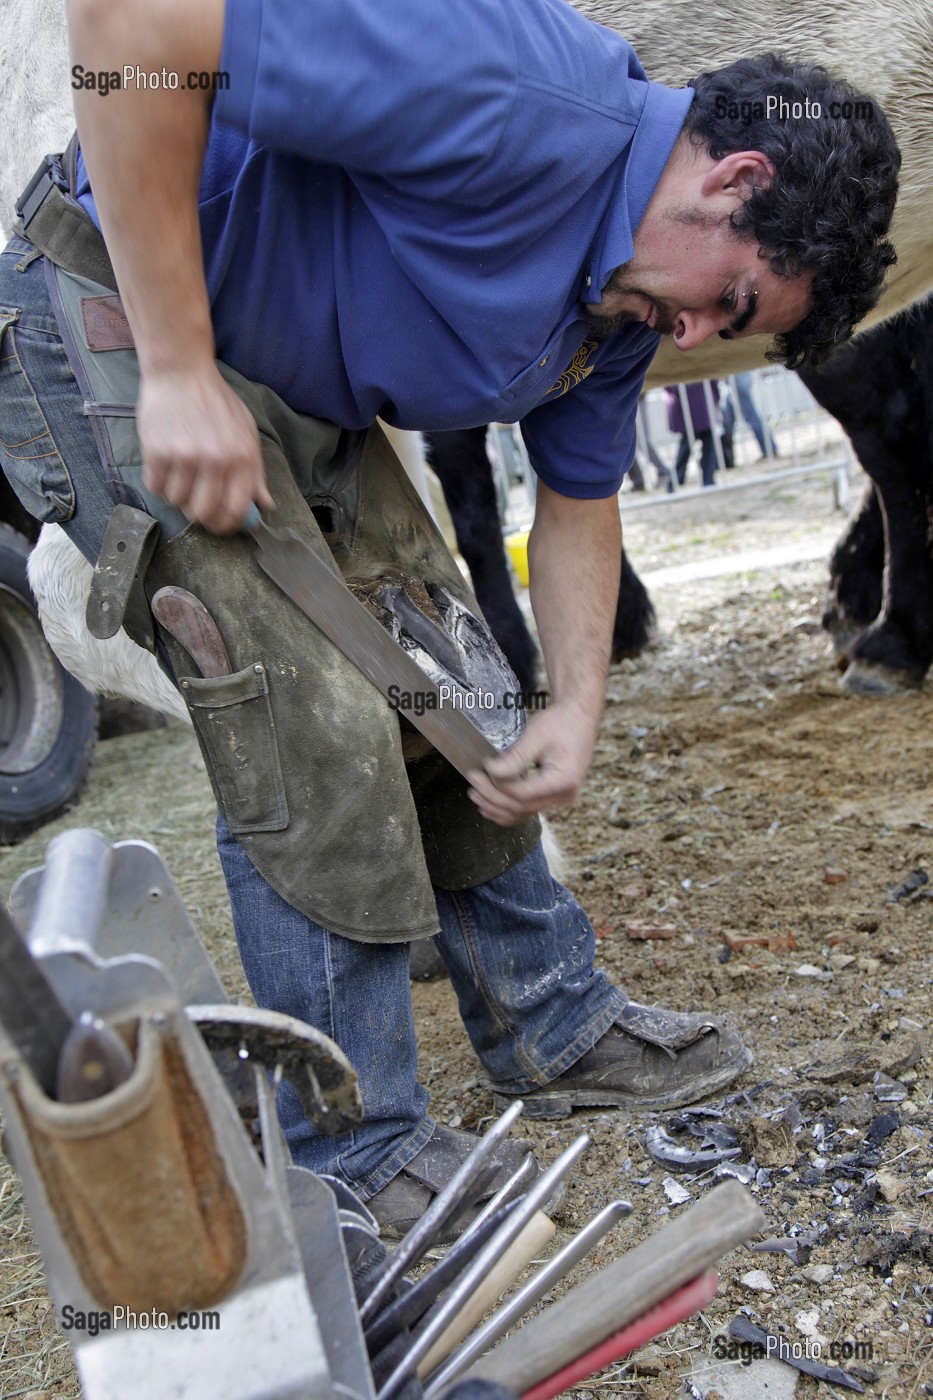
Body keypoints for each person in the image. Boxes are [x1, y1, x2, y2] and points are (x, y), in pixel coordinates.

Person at [0, 0, 899, 1233]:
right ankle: (353, 1142)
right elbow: (127, 27)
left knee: (448, 674)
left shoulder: (628, 294)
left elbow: (582, 499)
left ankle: (552, 1016)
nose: (695, 337)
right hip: (115, 304)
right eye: (728, 303)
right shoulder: (509, 86)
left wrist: (577, 704)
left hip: (287, 381)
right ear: (734, 177)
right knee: (303, 701)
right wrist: (175, 366)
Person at [666, 380, 727, 488]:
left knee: (690, 446)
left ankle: (675, 482)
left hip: (697, 403)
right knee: (694, 445)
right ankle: (707, 480)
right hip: (699, 403)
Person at [722, 371, 777, 459]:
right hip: (736, 377)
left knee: (751, 416)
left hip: (737, 376)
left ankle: (769, 448)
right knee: (729, 419)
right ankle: (726, 458)